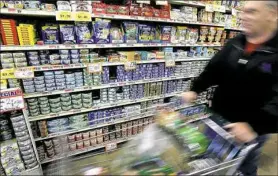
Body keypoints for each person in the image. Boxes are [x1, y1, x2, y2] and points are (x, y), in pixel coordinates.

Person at [182, 1, 278, 175]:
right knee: (209, 160)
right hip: (218, 119)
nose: (243, 17)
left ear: (272, 14)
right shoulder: (236, 42)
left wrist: (253, 126)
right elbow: (214, 69)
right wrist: (195, 89)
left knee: (243, 169)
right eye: (243, 12)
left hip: (250, 131)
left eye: (252, 12)